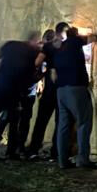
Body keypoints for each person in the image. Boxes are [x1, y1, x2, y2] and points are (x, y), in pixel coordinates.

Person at [0, 32, 43, 159]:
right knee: (13, 121)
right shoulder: (33, 53)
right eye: (39, 42)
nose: (40, 45)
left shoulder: (10, 45)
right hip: (13, 91)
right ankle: (11, 152)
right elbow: (34, 72)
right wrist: (42, 75)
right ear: (33, 41)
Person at [52, 25, 97, 169]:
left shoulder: (59, 47)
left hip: (61, 90)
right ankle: (83, 159)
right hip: (76, 88)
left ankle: (62, 161)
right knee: (84, 122)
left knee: (63, 126)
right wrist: (87, 35)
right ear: (75, 34)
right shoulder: (74, 42)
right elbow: (93, 38)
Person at [23, 26, 62, 159]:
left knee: (41, 121)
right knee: (60, 122)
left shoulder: (47, 48)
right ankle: (56, 152)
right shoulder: (63, 48)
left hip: (49, 91)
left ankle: (34, 149)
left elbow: (37, 62)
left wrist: (40, 74)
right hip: (62, 90)